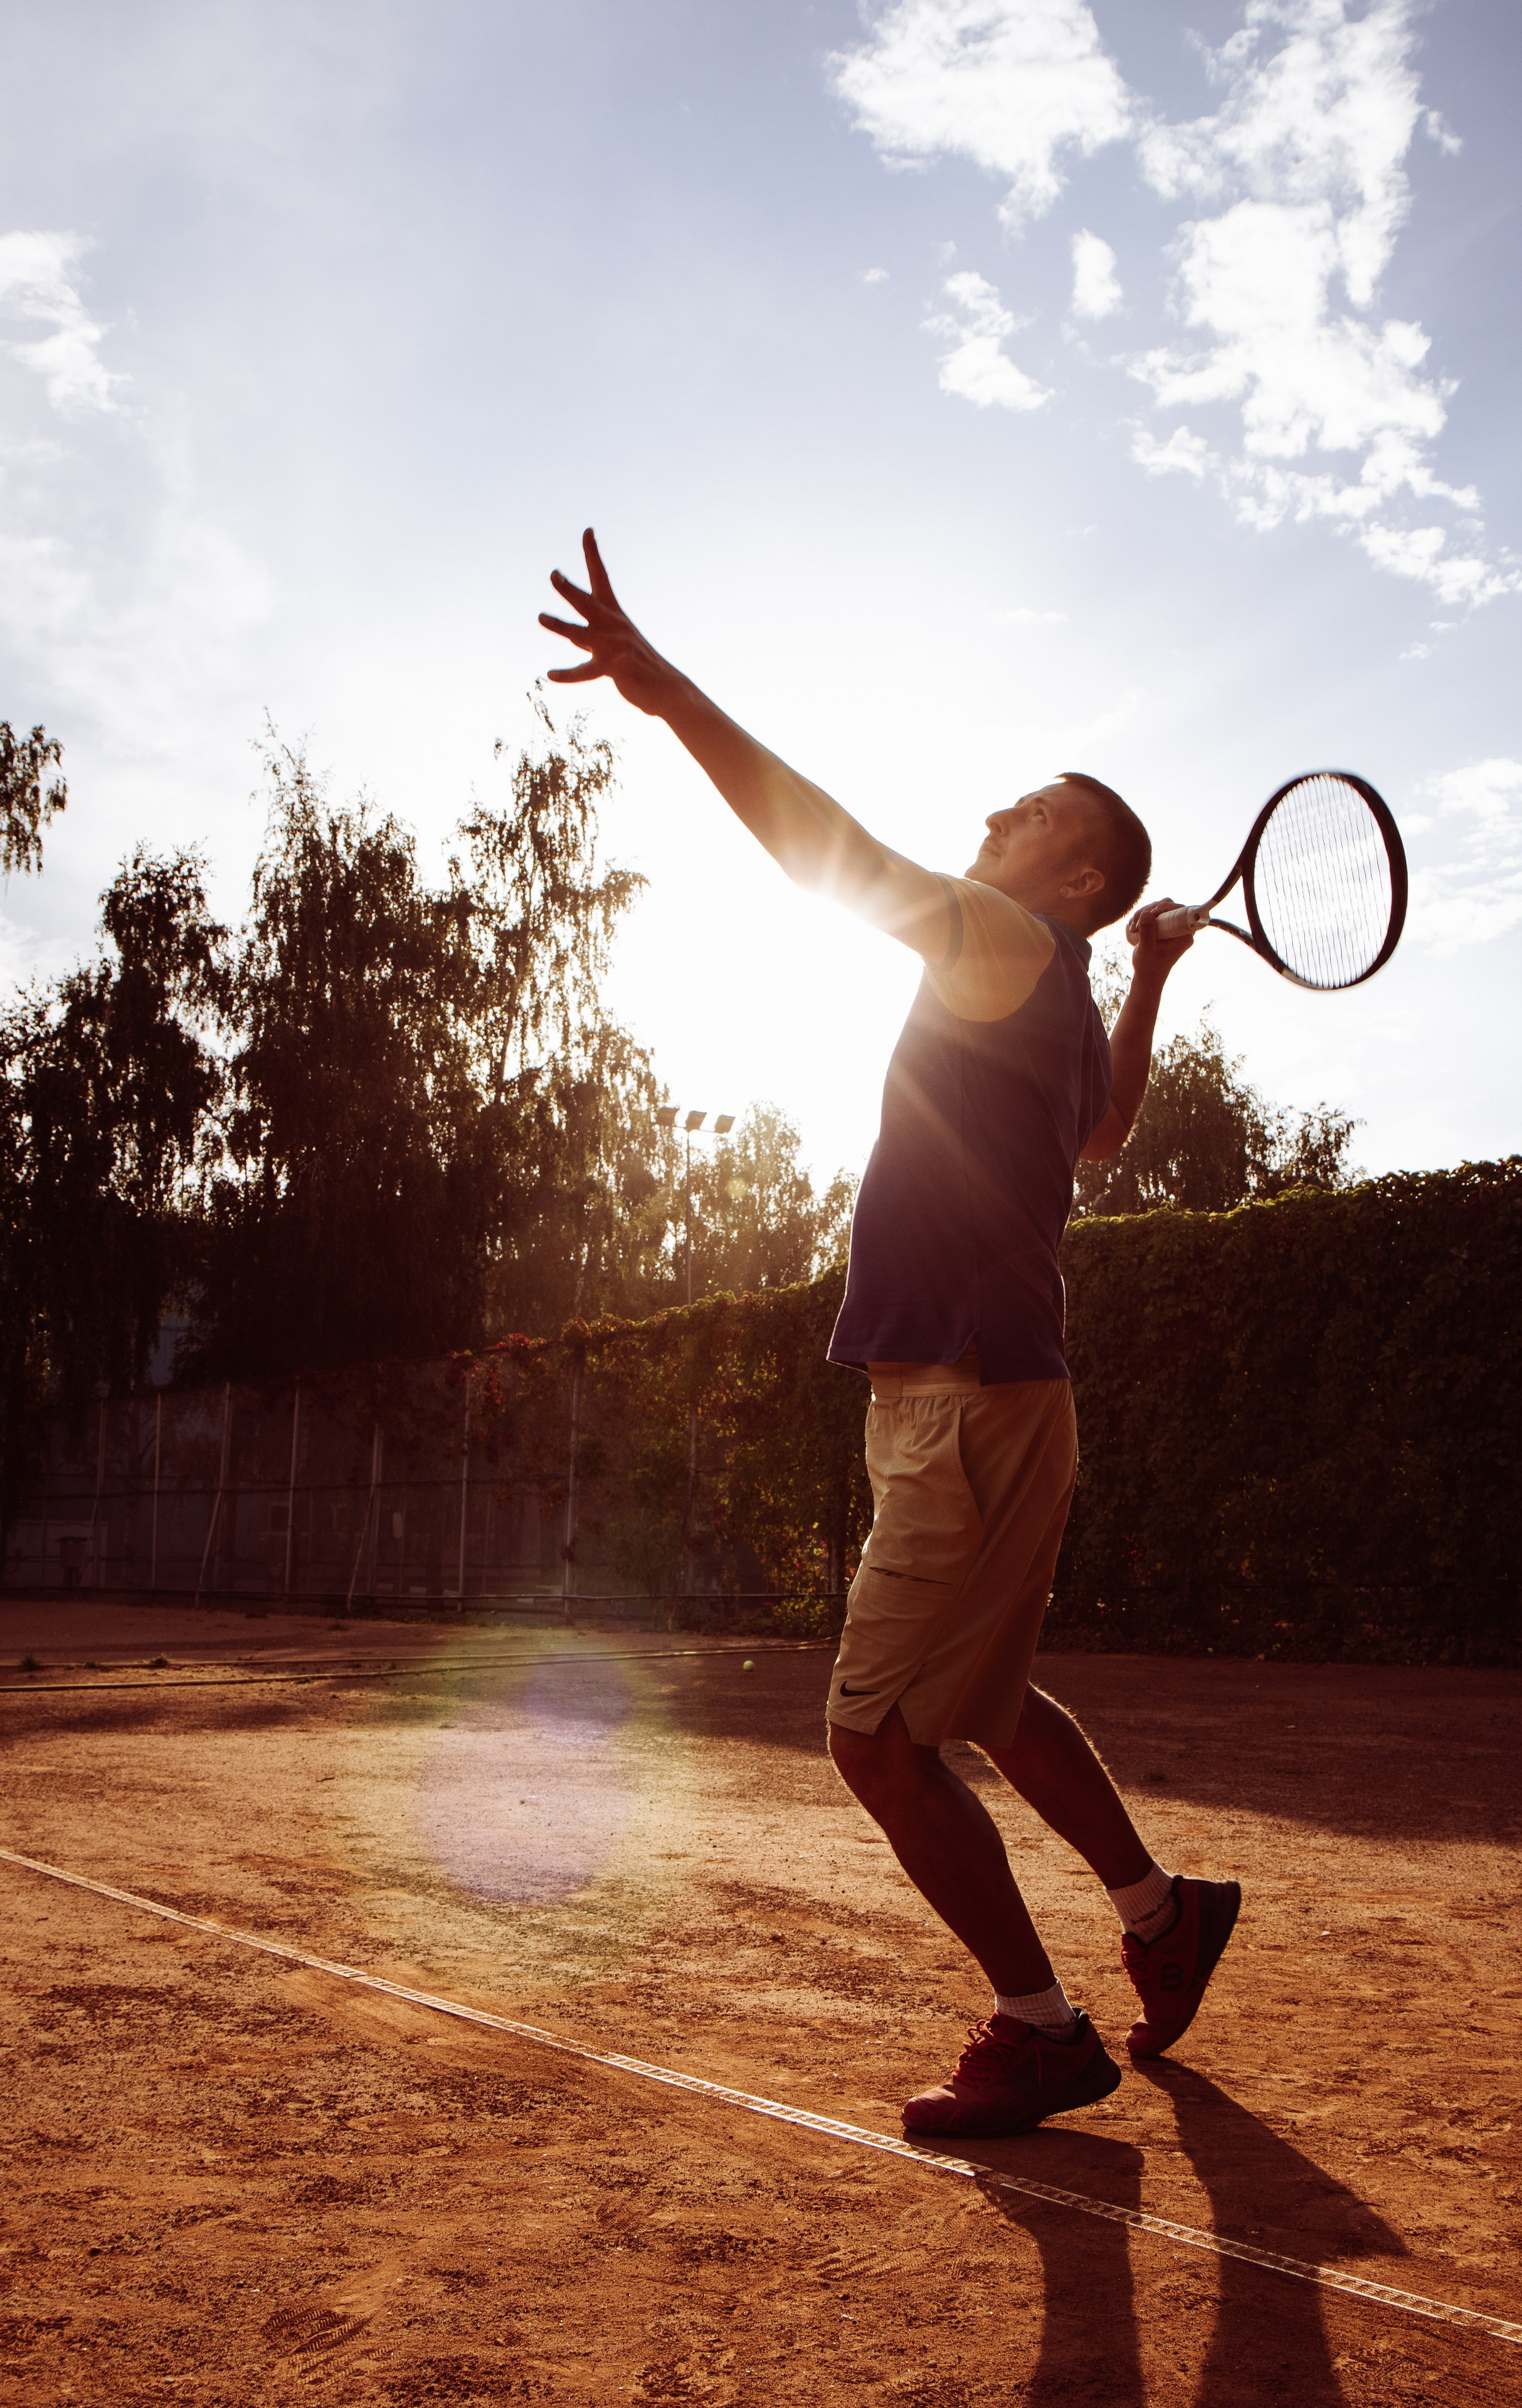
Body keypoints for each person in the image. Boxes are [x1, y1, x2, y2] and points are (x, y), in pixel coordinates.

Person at [541, 530, 1240, 2139]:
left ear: (1073, 873)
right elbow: (1103, 1142)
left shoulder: (1000, 942)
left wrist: (668, 696)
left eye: (1035, 811)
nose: (998, 810)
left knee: (869, 1739)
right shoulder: (1053, 978)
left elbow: (827, 847)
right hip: (996, 1394)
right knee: (983, 1706)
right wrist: (1148, 980)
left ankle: (1037, 2023)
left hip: (965, 1401)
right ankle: (1159, 1914)